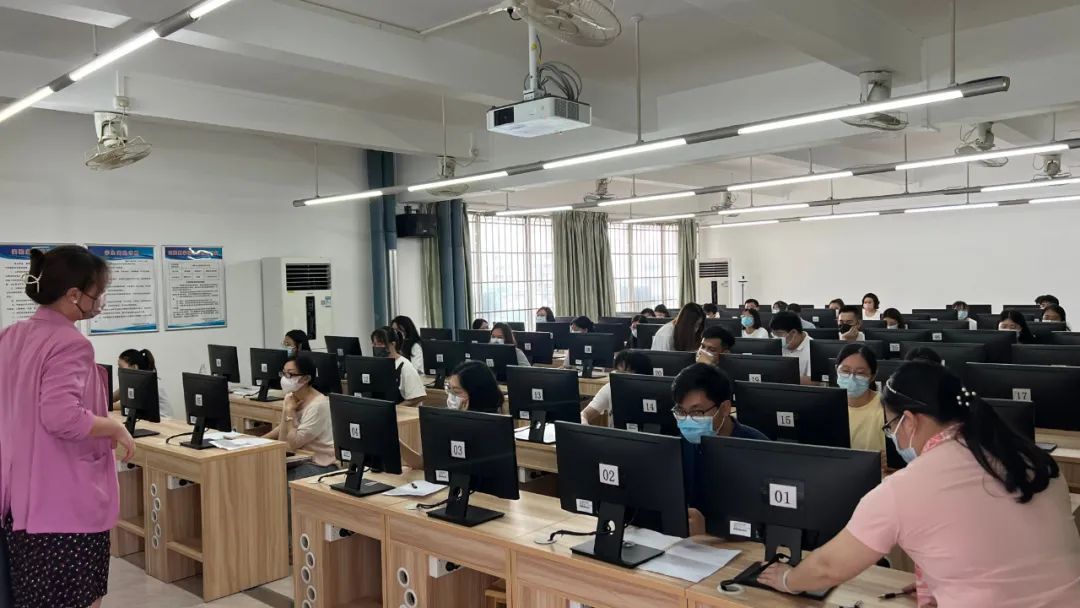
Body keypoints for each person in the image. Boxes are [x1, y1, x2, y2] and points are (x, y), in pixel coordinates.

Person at [759, 362, 1080, 607]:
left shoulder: (906, 487)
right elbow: (1012, 549)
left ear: (910, 420)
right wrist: (946, 577)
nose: (892, 436)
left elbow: (829, 567)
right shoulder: (1031, 461)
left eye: (890, 426)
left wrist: (787, 579)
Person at [0, 245, 135, 608]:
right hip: (64, 506)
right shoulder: (71, 343)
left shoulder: (11, 335)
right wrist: (114, 428)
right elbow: (62, 417)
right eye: (98, 292)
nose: (101, 300)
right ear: (74, 294)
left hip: (19, 501)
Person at [672, 363, 768, 535]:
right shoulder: (681, 444)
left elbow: (764, 525)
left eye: (697, 412)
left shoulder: (758, 450)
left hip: (738, 543)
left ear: (725, 408)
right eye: (681, 411)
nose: (687, 421)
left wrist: (706, 532)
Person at [262, 356, 336, 481]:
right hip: (297, 457)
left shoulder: (319, 405)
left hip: (319, 463)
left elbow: (294, 442)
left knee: (279, 481)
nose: (285, 379)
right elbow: (284, 426)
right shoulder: (290, 397)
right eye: (283, 373)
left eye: (290, 374)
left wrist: (290, 412)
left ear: (306, 378)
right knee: (261, 471)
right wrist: (260, 440)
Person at [835, 343, 885, 453]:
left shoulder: (886, 409)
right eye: (845, 371)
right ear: (836, 370)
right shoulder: (826, 406)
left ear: (872, 376)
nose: (851, 378)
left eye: (860, 373)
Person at [581, 350, 653, 426]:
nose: (619, 377)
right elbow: (584, 414)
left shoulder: (654, 393)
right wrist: (584, 422)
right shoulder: (610, 388)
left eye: (625, 373)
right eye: (618, 372)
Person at [370, 327, 427, 406]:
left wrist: (394, 408)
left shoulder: (405, 366)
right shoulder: (375, 364)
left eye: (380, 344)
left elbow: (418, 397)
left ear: (393, 344)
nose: (376, 347)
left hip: (398, 411)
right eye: (374, 344)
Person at [115, 348, 174, 418]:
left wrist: (104, 405)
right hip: (146, 420)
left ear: (134, 367)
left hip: (163, 422)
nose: (118, 372)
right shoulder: (134, 382)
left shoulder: (146, 383)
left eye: (121, 367)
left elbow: (125, 405)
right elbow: (113, 398)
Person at [770, 311, 813, 385]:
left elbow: (815, 381)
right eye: (773, 334)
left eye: (779, 333)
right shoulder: (776, 345)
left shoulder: (814, 349)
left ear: (793, 333)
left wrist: (781, 379)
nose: (776, 337)